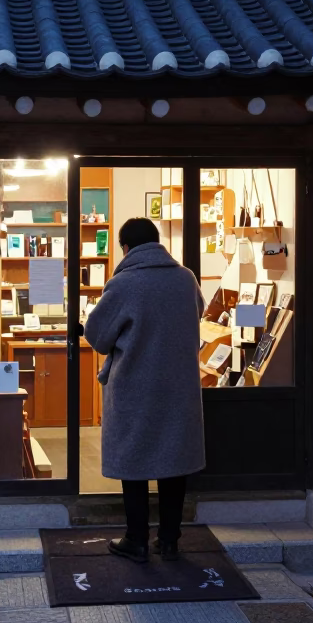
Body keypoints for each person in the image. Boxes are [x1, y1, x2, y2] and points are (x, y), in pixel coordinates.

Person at [84, 217, 205, 562]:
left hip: (135, 385)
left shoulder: (123, 284)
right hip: (179, 386)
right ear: (158, 242)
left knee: (132, 462)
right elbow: (198, 312)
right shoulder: (185, 279)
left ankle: (136, 539)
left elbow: (97, 335)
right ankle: (169, 539)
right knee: (174, 461)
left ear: (125, 247)